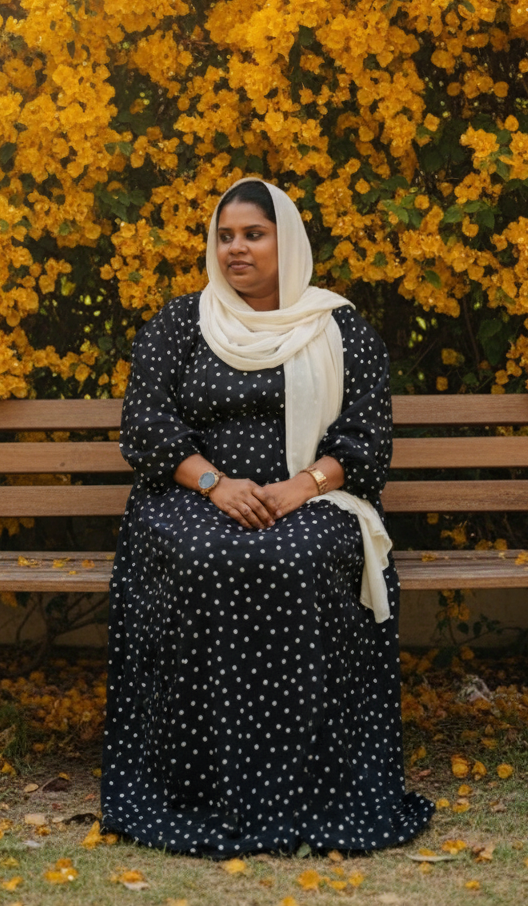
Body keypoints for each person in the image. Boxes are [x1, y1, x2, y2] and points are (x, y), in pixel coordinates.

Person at [101, 178, 434, 856]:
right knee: (207, 556)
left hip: (309, 496)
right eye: (225, 237)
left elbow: (368, 440)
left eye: (253, 234)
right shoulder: (181, 323)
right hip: (193, 496)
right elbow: (144, 427)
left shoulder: (337, 327)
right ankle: (198, 788)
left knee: (298, 556)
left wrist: (299, 488)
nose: (236, 250)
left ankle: (309, 788)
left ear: (288, 240)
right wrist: (215, 484)